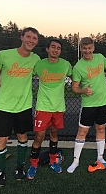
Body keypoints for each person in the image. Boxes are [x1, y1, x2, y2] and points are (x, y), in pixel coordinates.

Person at [0, 27, 40, 187]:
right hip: (4, 105)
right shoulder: (4, 55)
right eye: (29, 37)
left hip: (24, 106)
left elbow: (50, 70)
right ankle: (1, 172)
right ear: (22, 37)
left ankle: (20, 167)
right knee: (2, 138)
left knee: (22, 136)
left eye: (35, 38)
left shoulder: (36, 59)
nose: (31, 40)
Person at [67, 37, 106, 173]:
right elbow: (74, 88)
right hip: (89, 104)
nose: (87, 51)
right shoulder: (78, 67)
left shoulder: (100, 57)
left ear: (93, 48)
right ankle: (76, 160)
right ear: (81, 49)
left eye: (89, 48)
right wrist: (84, 90)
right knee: (83, 131)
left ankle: (100, 158)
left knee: (101, 128)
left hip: (103, 101)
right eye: (84, 48)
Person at [26, 39, 72, 179]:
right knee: (39, 136)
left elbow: (76, 77)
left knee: (54, 134)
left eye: (58, 48)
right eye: (53, 47)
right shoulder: (39, 64)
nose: (55, 50)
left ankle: (53, 161)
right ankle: (33, 165)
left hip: (58, 107)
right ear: (47, 49)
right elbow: (25, 76)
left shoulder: (66, 65)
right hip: (43, 107)